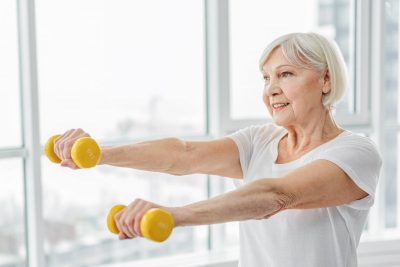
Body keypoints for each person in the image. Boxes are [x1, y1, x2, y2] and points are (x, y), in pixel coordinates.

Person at [53, 32, 382, 267]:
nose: (271, 90)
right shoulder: (260, 141)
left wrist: (175, 216)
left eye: (286, 74)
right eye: (266, 78)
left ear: (325, 80)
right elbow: (184, 154)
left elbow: (276, 195)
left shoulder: (356, 152)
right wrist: (99, 153)